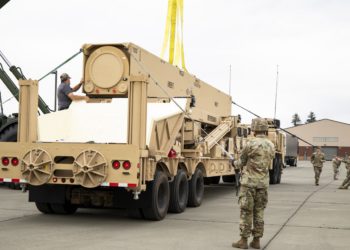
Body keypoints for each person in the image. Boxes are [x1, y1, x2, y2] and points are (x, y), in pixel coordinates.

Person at [232, 118, 275, 249]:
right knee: (259, 211)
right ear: (265, 130)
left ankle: (243, 241)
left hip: (249, 184)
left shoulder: (250, 144)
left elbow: (242, 162)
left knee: (246, 211)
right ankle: (256, 241)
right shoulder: (271, 145)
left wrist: (233, 163)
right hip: (263, 184)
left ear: (254, 129)